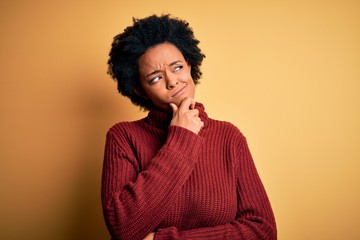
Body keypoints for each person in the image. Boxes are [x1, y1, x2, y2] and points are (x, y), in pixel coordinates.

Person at [102, 14, 277, 240]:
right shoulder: (123, 137)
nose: (172, 81)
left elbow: (263, 231)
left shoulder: (229, 137)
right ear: (140, 90)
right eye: (155, 78)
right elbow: (123, 229)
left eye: (177, 67)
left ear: (190, 66)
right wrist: (181, 138)